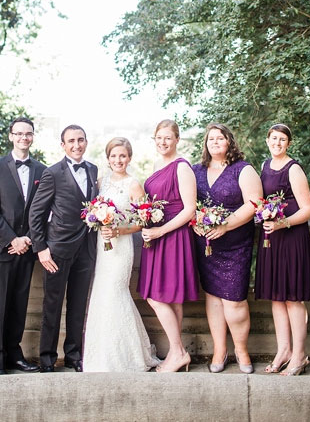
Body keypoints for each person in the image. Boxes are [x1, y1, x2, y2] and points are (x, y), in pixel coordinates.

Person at [83, 137, 160, 372]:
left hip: (121, 245)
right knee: (101, 294)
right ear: (108, 159)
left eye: (123, 156)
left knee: (115, 292)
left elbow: (142, 221)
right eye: (114, 156)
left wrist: (118, 229)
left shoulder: (134, 184)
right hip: (102, 245)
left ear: (129, 158)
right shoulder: (101, 182)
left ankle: (127, 356)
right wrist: (95, 219)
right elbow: (92, 210)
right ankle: (101, 355)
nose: (118, 160)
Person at [192, 122, 262, 373]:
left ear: (230, 142)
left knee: (234, 300)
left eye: (220, 138)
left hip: (235, 244)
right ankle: (219, 351)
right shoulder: (196, 170)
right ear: (206, 144)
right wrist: (195, 223)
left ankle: (242, 352)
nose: (215, 142)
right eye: (211, 139)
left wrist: (226, 226)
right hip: (207, 245)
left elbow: (254, 203)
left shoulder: (242, 170)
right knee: (213, 297)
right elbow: (189, 204)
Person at [29, 124, 98, 372]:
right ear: (63, 145)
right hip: (56, 250)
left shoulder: (93, 170)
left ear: (86, 142)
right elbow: (36, 213)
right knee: (52, 305)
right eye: (71, 141)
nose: (76, 145)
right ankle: (47, 358)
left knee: (79, 305)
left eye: (80, 140)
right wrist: (41, 248)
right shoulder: (52, 173)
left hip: (86, 249)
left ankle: (74, 355)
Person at [255, 124, 310, 376]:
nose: (277, 143)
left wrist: (282, 222)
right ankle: (283, 350)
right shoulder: (263, 167)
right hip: (271, 240)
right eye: (274, 138)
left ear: (288, 143)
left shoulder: (293, 169)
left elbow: (308, 209)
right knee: (277, 297)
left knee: (293, 298)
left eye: (282, 139)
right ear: (267, 140)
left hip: (292, 238)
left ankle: (299, 355)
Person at [0, 117, 46, 375]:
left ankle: (14, 354)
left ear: (33, 136)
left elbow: (43, 211)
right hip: (3, 248)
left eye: (28, 134)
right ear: (10, 136)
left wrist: (28, 239)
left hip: (28, 248)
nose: (23, 138)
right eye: (18, 133)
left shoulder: (42, 170)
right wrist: (12, 239)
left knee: (20, 303)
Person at [137, 119, 199, 373]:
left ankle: (179, 351)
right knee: (170, 300)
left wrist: (160, 230)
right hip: (156, 235)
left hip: (173, 236)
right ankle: (177, 353)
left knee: (157, 296)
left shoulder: (182, 167)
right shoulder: (156, 164)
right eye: (158, 138)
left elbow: (189, 209)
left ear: (176, 140)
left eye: (167, 138)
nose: (163, 142)